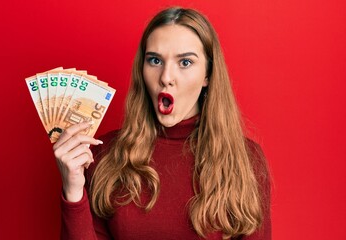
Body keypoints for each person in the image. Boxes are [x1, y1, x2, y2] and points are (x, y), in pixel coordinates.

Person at [53, 6, 271, 240]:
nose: (166, 77)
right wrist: (73, 191)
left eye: (185, 62)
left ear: (208, 75)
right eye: (155, 60)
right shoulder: (103, 155)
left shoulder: (245, 159)